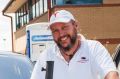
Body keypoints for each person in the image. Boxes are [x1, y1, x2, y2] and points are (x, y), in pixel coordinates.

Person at [30, 10, 119, 79]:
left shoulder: (93, 49)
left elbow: (111, 74)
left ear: (75, 25)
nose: (61, 34)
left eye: (64, 27)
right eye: (55, 31)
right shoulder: (47, 56)